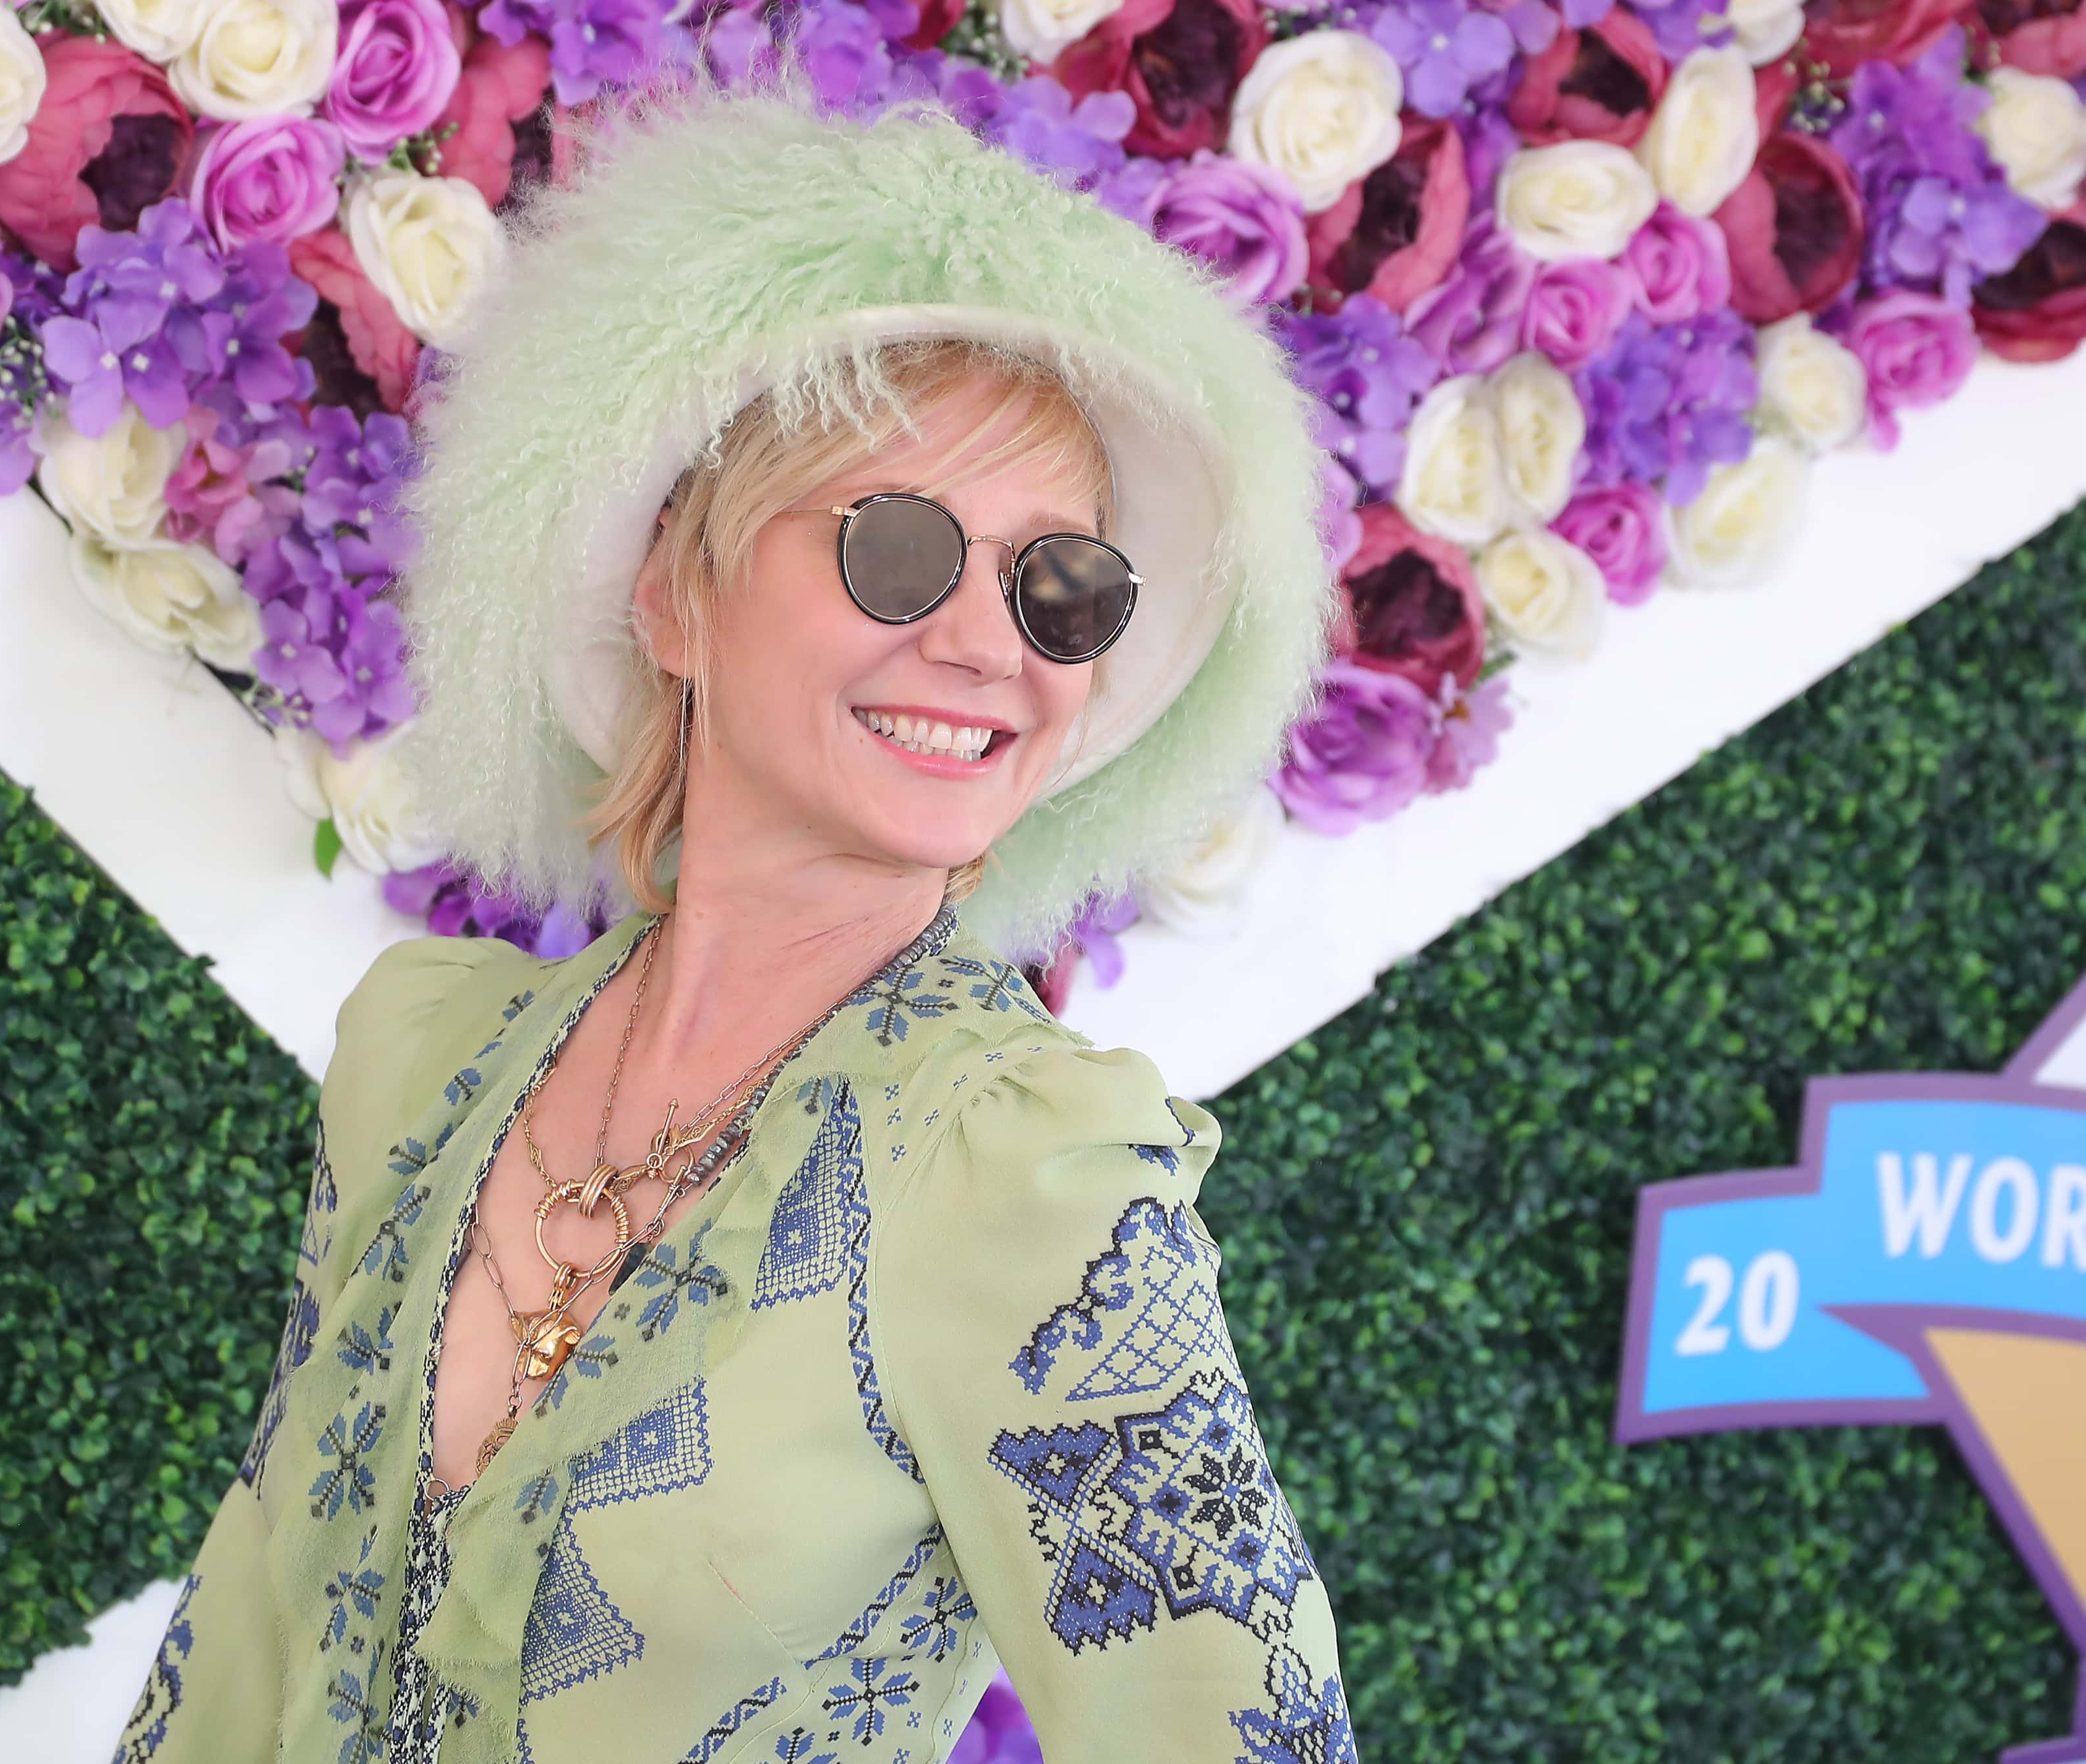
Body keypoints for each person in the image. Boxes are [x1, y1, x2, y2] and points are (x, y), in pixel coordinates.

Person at [112, 62, 1351, 1764]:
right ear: (672, 594)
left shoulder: (1023, 1170)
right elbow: (244, 1642)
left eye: (1061, 586)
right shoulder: (421, 1061)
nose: (990, 644)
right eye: (900, 551)